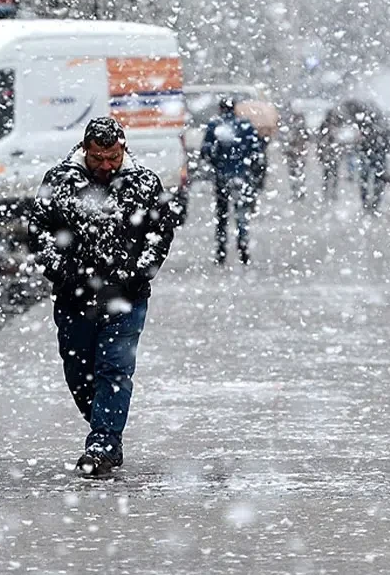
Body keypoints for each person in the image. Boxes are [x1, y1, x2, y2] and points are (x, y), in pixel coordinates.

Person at [31, 117, 177, 477]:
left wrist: (137, 273)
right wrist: (60, 272)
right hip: (74, 297)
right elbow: (39, 231)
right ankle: (102, 423)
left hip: (125, 298)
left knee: (114, 369)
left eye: (112, 157)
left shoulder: (144, 183)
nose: (105, 165)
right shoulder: (59, 181)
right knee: (79, 371)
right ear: (85, 150)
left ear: (123, 149)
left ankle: (104, 443)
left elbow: (160, 234)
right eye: (97, 158)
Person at [203, 96, 264, 265]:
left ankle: (221, 251)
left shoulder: (215, 126)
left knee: (222, 215)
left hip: (222, 176)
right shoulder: (245, 126)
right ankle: (243, 249)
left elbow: (206, 151)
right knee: (241, 214)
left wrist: (216, 163)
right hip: (242, 176)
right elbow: (256, 152)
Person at [282, 109, 310, 200]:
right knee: (295, 173)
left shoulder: (297, 131)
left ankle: (298, 191)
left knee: (297, 173)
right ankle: (296, 190)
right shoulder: (293, 130)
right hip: (294, 155)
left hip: (296, 155)